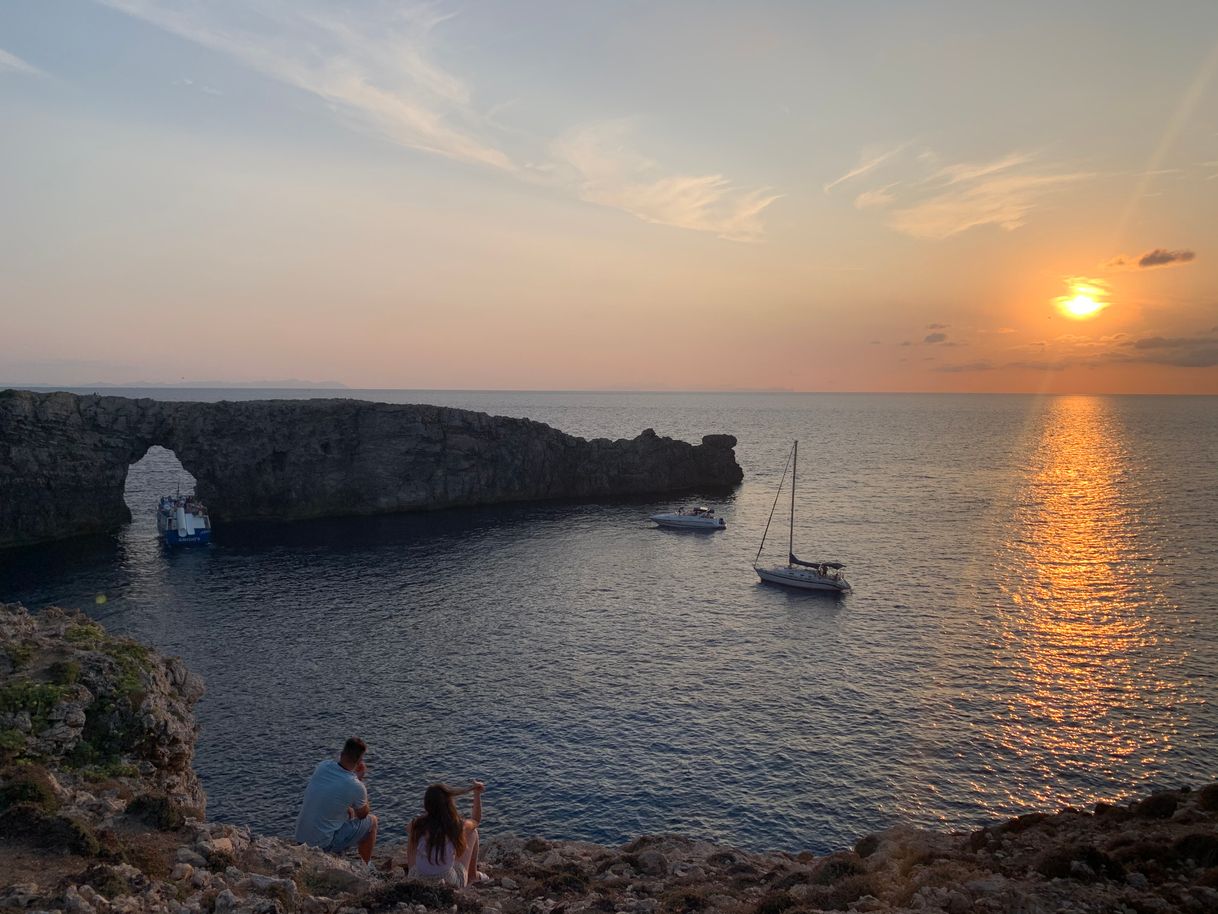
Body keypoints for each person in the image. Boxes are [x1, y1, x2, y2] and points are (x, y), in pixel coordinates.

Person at [294, 737, 379, 864]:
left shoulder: (323, 766)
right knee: (372, 822)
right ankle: (366, 866)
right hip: (322, 846)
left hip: (301, 839)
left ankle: (340, 854)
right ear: (360, 761)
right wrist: (360, 780)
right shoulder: (355, 785)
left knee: (348, 811)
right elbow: (362, 814)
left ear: (341, 754)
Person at [406, 781, 486, 887]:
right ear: (449, 804)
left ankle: (410, 875)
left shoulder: (416, 824)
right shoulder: (457, 826)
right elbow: (476, 820)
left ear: (426, 804)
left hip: (417, 880)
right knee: (472, 832)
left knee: (413, 834)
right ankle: (473, 876)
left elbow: (408, 829)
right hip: (448, 882)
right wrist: (477, 794)